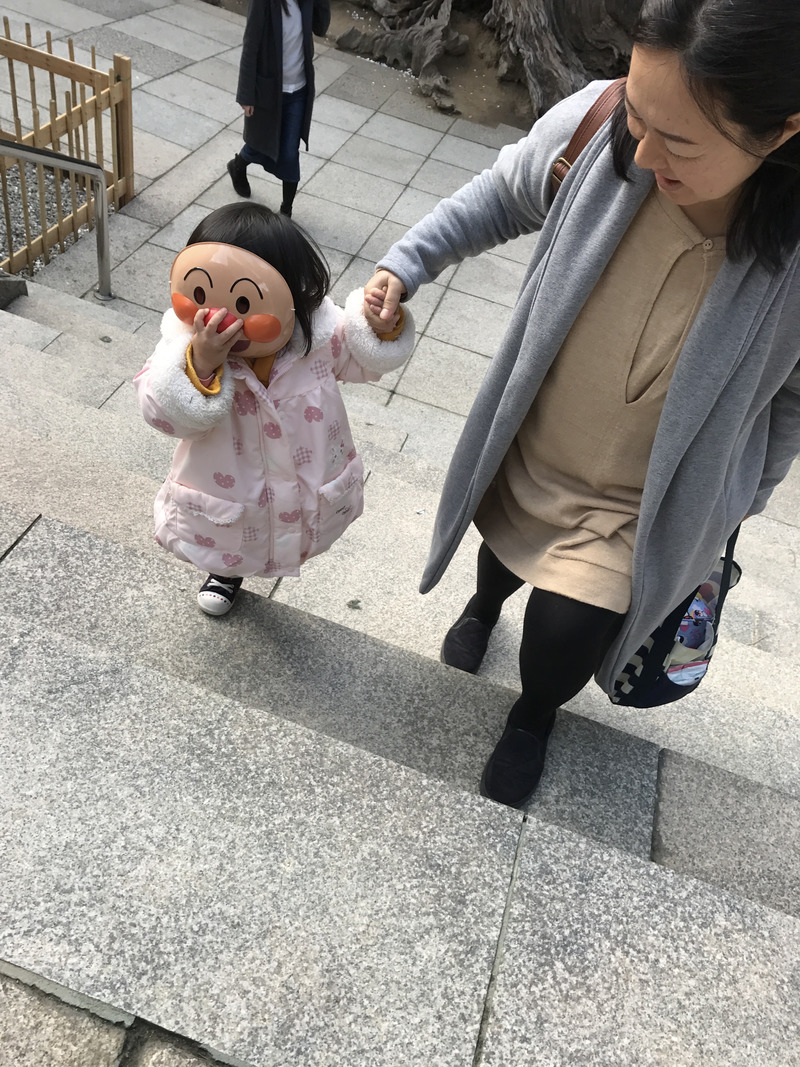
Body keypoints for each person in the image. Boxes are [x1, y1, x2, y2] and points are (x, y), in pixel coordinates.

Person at [364, 0, 800, 808]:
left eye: (680, 142)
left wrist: (742, 497)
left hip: (635, 502)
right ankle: (484, 604)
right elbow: (501, 195)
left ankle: (533, 714)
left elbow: (792, 399)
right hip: (542, 437)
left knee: (563, 633)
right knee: (502, 551)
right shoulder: (599, 127)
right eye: (639, 114)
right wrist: (405, 264)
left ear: (779, 133)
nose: (644, 150)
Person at [135, 202, 413, 616]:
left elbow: (363, 359)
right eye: (203, 297)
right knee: (230, 542)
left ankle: (269, 556)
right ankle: (224, 574)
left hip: (302, 479)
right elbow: (160, 411)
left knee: (293, 526)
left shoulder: (317, 339)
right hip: (228, 487)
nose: (223, 318)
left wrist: (379, 324)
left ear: (293, 298)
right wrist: (203, 363)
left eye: (244, 303)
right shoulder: (183, 349)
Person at [226, 0, 331, 217]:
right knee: (258, 143)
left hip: (299, 90)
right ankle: (238, 166)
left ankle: (286, 211)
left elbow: (320, 28)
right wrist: (246, 95)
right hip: (269, 89)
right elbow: (250, 45)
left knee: (289, 152)